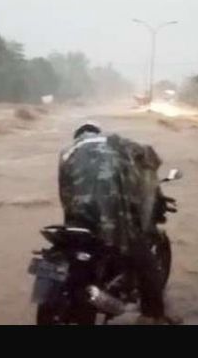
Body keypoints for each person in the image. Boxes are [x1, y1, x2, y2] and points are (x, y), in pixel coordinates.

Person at [58, 121, 181, 325]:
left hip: (79, 218)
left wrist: (70, 221)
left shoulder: (66, 152)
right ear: (97, 132)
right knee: (145, 260)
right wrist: (154, 191)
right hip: (113, 216)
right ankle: (153, 314)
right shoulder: (115, 141)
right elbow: (149, 157)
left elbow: (65, 192)